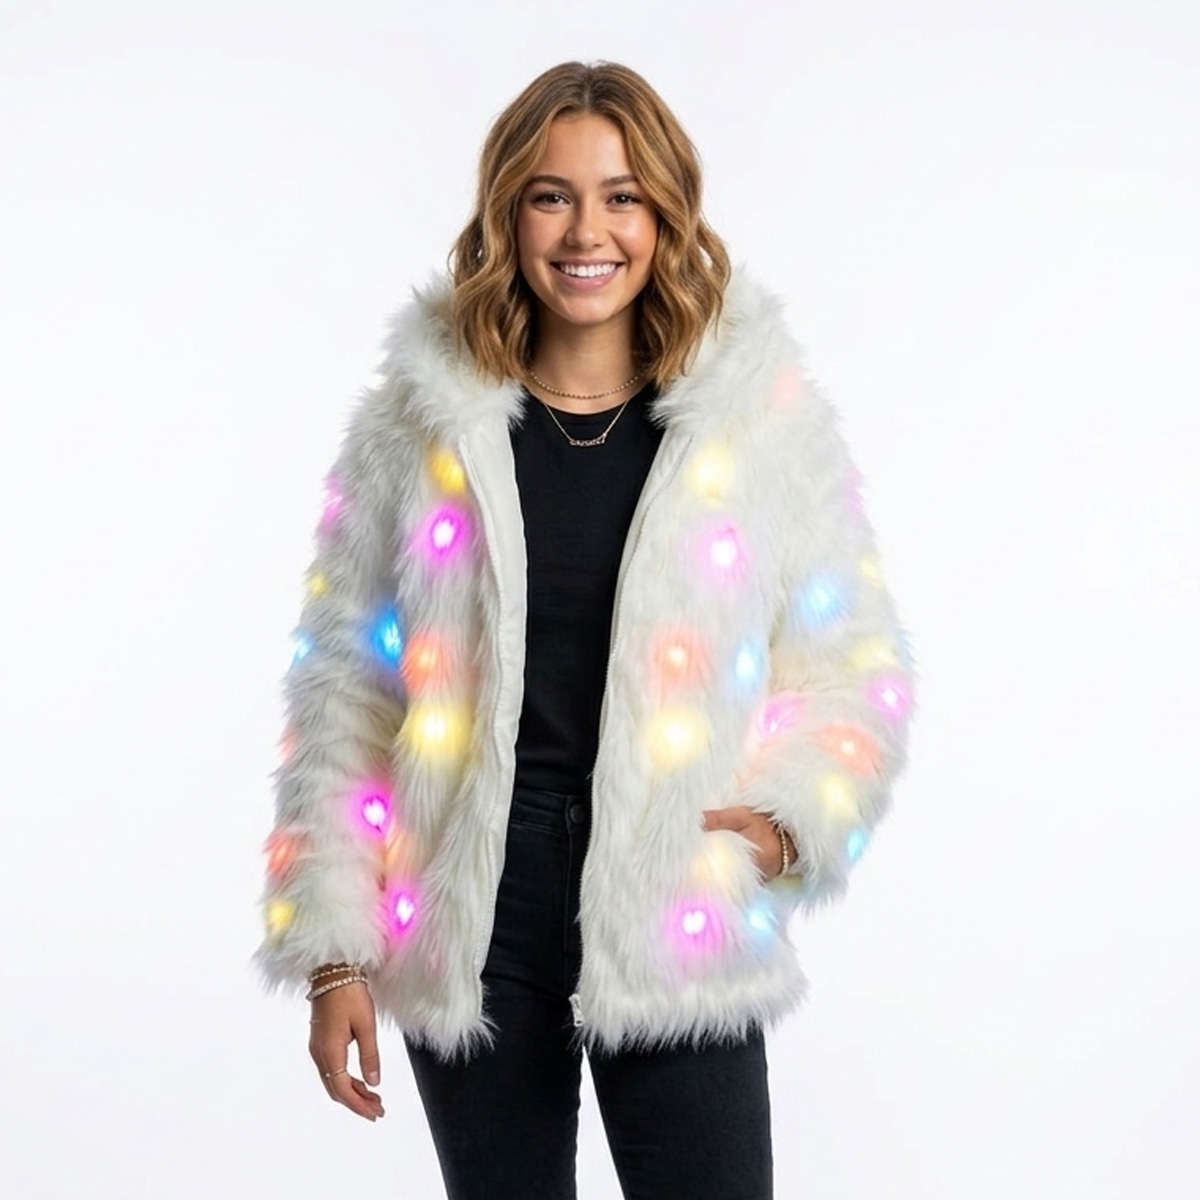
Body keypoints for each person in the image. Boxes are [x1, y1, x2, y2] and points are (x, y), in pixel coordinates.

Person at [255, 60, 914, 1200]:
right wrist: (332, 953)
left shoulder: (751, 422)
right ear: (508, 214)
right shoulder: (421, 425)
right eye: (551, 196)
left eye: (622, 197)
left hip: (673, 885)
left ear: (666, 215)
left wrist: (785, 826)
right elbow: (345, 700)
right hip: (474, 905)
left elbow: (853, 663)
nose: (586, 232)